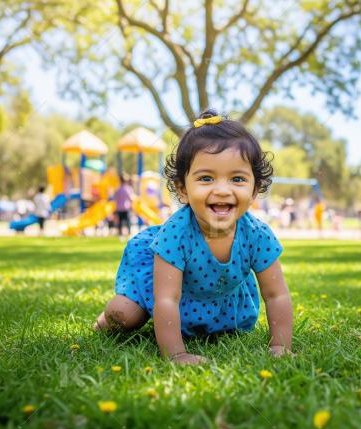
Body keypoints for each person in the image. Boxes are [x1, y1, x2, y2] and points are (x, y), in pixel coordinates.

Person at [93, 110, 293, 365]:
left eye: (237, 179)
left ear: (254, 190)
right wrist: (177, 354)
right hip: (163, 293)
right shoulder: (176, 234)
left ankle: (206, 322)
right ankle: (101, 321)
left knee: (219, 333)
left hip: (223, 305)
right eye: (206, 178)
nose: (222, 189)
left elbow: (276, 294)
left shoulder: (257, 234)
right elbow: (167, 298)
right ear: (182, 189)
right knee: (122, 315)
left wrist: (280, 346)